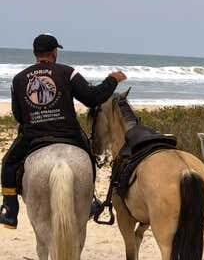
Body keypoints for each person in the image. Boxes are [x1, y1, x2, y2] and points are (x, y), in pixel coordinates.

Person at [0, 34, 126, 229]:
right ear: (54, 53)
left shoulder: (19, 79)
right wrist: (112, 80)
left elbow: (18, 115)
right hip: (69, 134)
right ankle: (91, 199)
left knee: (8, 163)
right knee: (88, 158)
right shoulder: (67, 72)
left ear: (35, 53)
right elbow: (92, 98)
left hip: (33, 136)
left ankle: (9, 210)